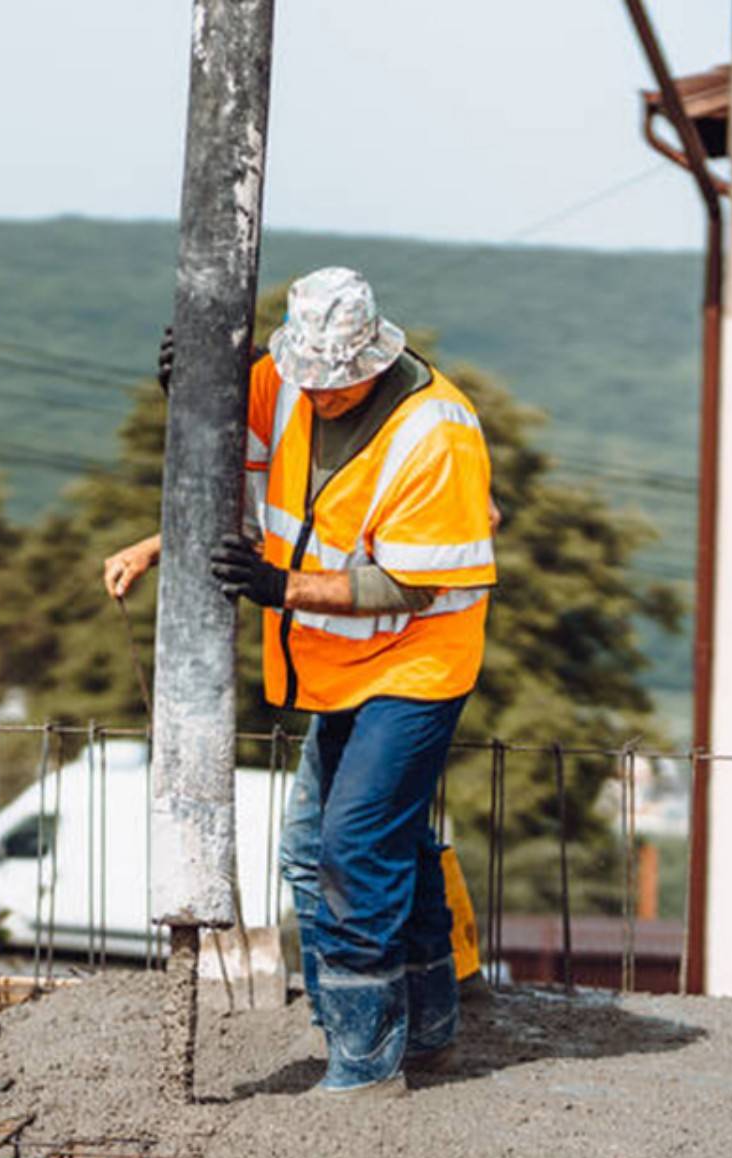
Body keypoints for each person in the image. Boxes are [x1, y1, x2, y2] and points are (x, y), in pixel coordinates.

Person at [104, 267, 496, 1096]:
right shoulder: (283, 382)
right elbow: (228, 464)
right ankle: (426, 1026)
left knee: (345, 848)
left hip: (414, 660)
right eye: (307, 379)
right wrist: (193, 387)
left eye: (335, 383)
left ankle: (363, 1059)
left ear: (375, 360)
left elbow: (412, 586)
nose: (317, 395)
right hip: (337, 662)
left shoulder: (436, 433)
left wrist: (282, 588)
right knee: (365, 845)